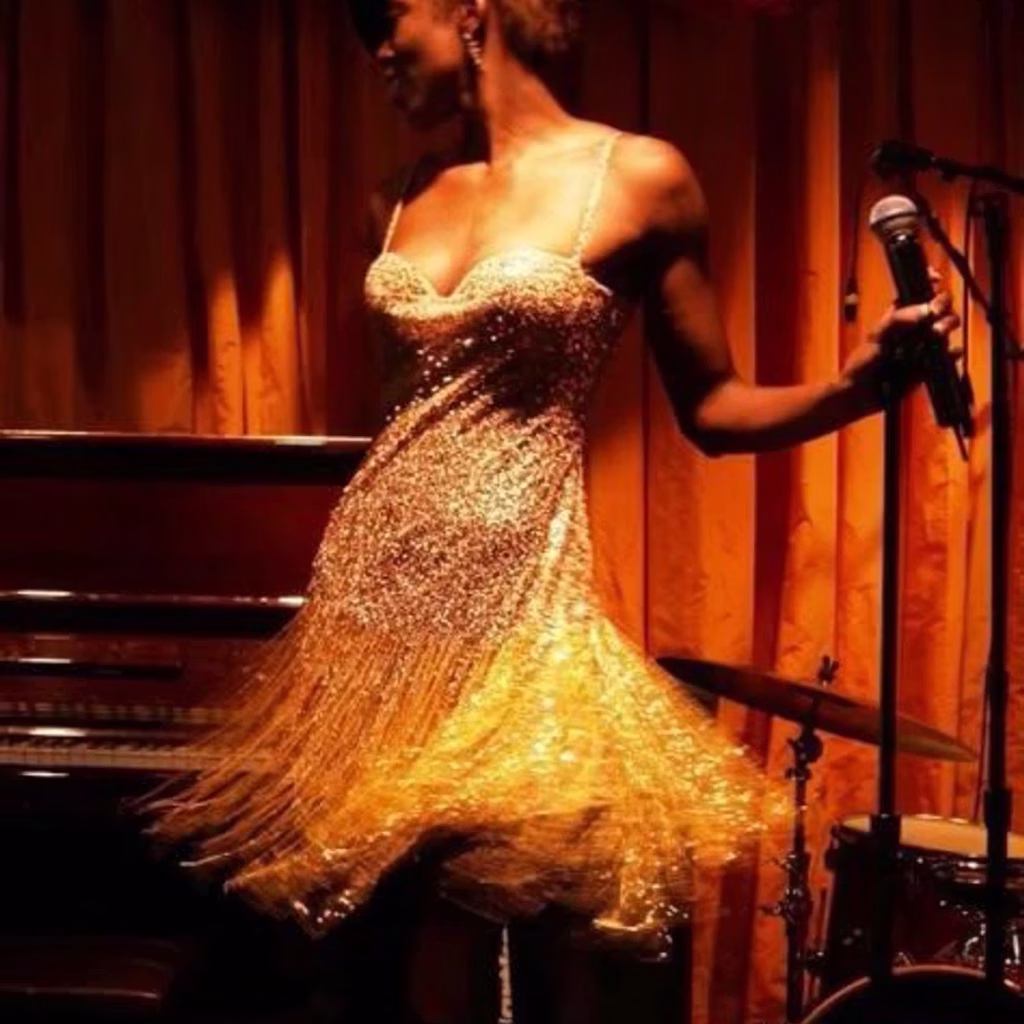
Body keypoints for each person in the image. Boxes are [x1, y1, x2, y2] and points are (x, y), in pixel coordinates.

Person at [140, 1, 960, 1021]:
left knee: (535, 942)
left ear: (471, 9)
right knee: (350, 956)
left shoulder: (639, 177)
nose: (376, 50)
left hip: (520, 614)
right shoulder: (391, 201)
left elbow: (713, 408)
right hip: (369, 605)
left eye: (387, 16)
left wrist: (853, 388)